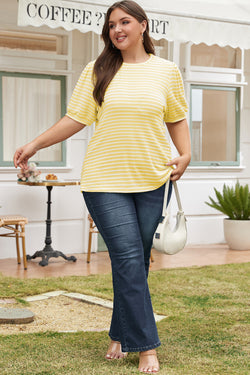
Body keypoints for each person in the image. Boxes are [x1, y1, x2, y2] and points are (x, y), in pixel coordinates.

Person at [14, 1, 191, 373]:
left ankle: (119, 331)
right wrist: (34, 144)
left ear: (143, 26)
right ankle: (145, 347)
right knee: (127, 258)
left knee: (137, 262)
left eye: (124, 22)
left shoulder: (166, 71)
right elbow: (74, 119)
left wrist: (186, 153)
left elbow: (176, 117)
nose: (117, 29)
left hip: (152, 179)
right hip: (104, 180)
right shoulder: (97, 70)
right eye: (111, 25)